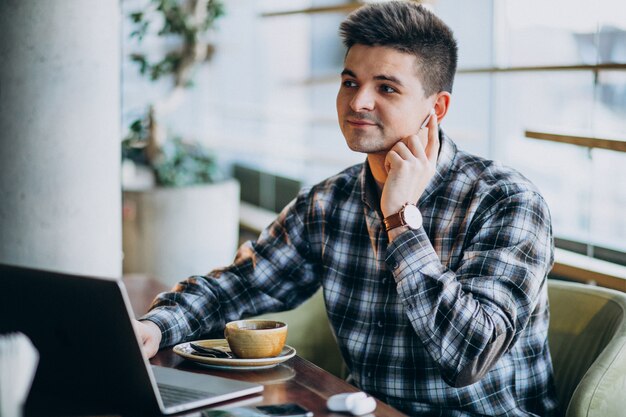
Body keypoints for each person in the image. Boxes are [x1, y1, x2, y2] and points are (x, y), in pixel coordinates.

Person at [135, 2, 558, 415]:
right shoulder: (328, 201)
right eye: (350, 82)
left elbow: (469, 354)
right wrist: (155, 326)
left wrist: (401, 221)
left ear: (437, 109)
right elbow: (242, 284)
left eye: (386, 88)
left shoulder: (507, 201)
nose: (358, 103)